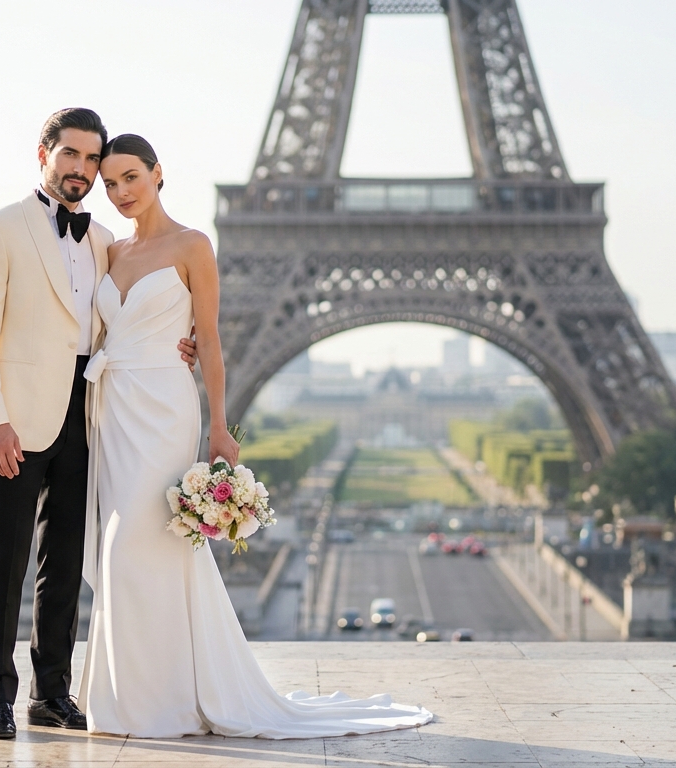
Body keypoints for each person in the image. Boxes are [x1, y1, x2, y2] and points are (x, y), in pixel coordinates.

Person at [77, 134, 434, 738]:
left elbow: (211, 338)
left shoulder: (194, 244)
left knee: (138, 542)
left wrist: (220, 424)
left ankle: (159, 700)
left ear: (158, 173)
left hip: (163, 408)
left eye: (131, 177)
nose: (120, 192)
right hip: (114, 407)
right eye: (109, 183)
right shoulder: (107, 250)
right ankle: (138, 696)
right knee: (125, 554)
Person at [0, 109, 196, 740]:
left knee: (63, 562)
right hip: (16, 419)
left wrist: (184, 339)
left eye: (93, 159)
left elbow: (124, 320)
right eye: (71, 154)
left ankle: (51, 693)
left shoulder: (102, 240)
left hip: (88, 413)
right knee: (4, 561)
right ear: (43, 154)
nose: (82, 170)